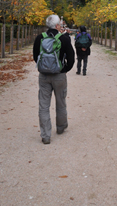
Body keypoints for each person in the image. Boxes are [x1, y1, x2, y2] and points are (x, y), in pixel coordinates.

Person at [33, 14, 75, 144]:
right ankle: (61, 127)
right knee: (61, 101)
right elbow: (72, 58)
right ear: (57, 26)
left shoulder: (40, 38)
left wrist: (44, 68)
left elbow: (36, 56)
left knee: (43, 105)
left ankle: (45, 135)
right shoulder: (63, 39)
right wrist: (64, 69)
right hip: (59, 76)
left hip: (44, 76)